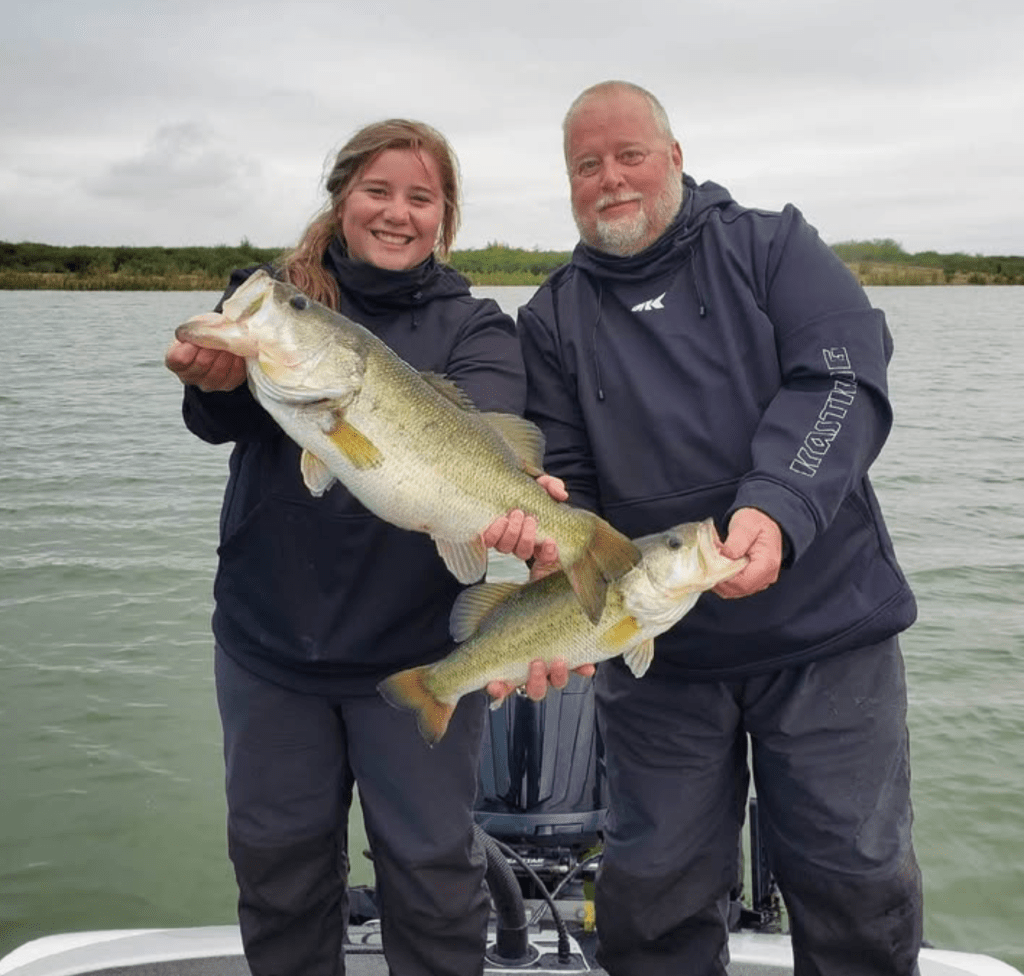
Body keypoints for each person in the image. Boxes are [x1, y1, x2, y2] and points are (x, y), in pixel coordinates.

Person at [491, 81, 923, 975]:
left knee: (855, 884)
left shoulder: (773, 247)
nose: (611, 179)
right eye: (586, 165)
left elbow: (842, 377)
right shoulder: (551, 317)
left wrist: (778, 503)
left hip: (825, 633)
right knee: (652, 897)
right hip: (660, 655)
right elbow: (570, 496)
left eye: (630, 155)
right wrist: (551, 611)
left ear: (676, 157)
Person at [165, 119, 561, 976]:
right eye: (377, 191)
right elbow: (215, 417)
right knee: (277, 869)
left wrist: (525, 517)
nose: (396, 212)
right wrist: (210, 376)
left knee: (434, 875)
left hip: (418, 653)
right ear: (342, 198)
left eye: (421, 197)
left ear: (444, 216)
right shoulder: (276, 299)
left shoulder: (478, 326)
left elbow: (489, 443)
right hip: (270, 648)